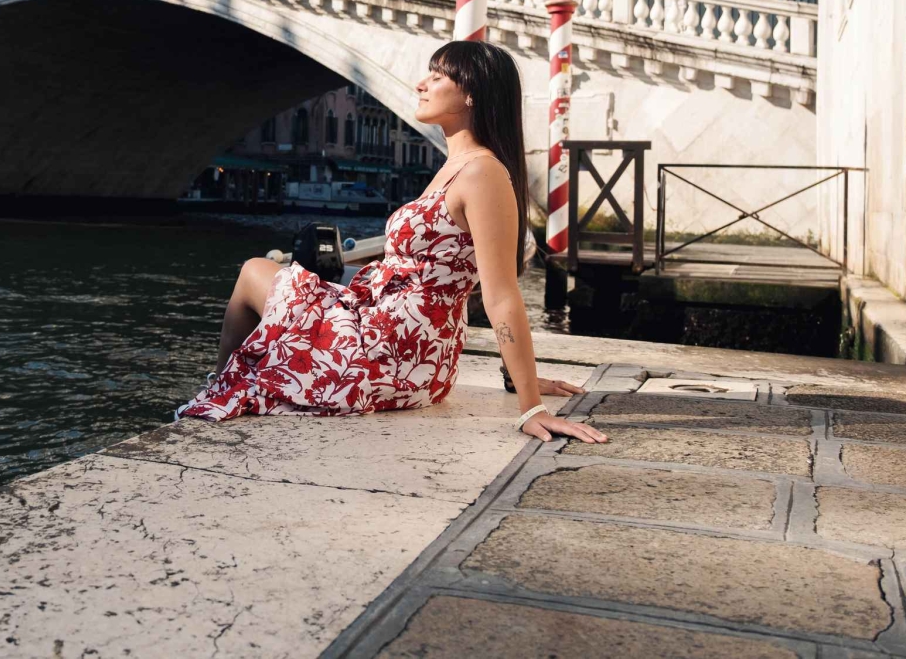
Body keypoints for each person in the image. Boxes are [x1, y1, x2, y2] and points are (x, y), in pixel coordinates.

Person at [178, 40, 607, 446]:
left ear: (472, 94)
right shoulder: (457, 167)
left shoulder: (482, 173)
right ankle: (224, 384)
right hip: (392, 333)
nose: (421, 84)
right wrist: (516, 378)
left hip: (397, 349)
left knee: (256, 271)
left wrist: (529, 405)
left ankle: (221, 386)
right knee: (261, 274)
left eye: (438, 76)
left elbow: (499, 294)